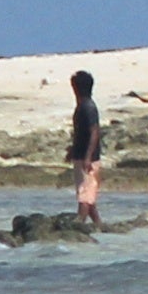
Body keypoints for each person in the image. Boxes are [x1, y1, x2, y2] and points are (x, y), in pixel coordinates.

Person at [67, 69, 108, 222]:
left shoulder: (88, 107)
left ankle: (80, 223)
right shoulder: (82, 106)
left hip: (87, 158)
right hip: (80, 155)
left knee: (84, 196)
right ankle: (98, 225)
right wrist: (72, 150)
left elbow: (94, 132)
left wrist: (88, 157)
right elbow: (80, 132)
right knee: (88, 195)